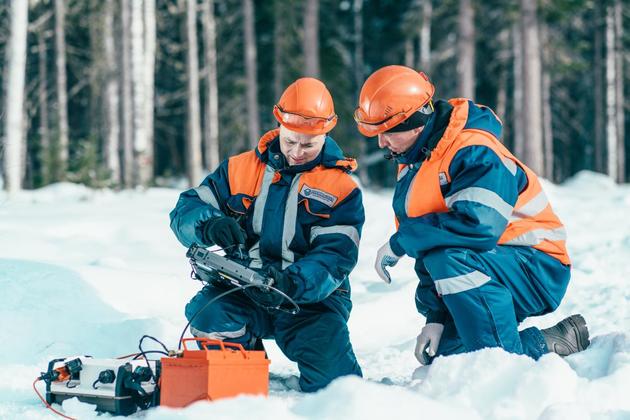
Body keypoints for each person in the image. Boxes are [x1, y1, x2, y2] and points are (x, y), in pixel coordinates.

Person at [354, 65, 590, 365]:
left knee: (480, 347)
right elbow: (433, 245)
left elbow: (477, 228)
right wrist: (435, 317)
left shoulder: (475, 151)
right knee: (449, 356)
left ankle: (501, 364)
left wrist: (401, 242)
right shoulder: (415, 164)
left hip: (537, 265)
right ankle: (552, 342)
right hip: (490, 262)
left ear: (414, 123)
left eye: (386, 132)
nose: (381, 143)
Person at [169, 77, 364, 392]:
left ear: (327, 132)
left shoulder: (342, 188)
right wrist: (208, 224)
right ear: (279, 124)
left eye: (308, 144)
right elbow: (184, 210)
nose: (297, 151)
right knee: (208, 314)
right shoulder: (238, 168)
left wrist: (292, 283)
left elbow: (336, 256)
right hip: (243, 291)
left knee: (339, 390)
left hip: (311, 302)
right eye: (290, 141)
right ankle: (242, 370)